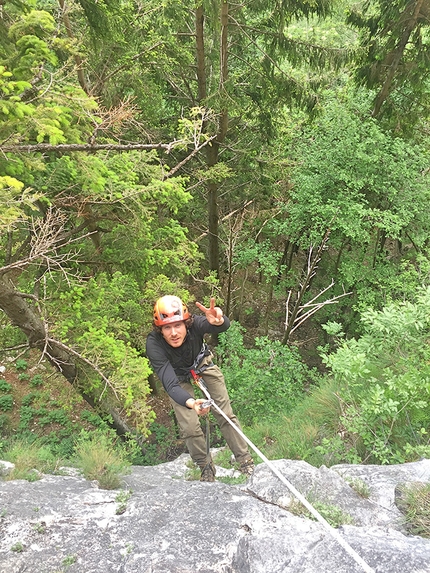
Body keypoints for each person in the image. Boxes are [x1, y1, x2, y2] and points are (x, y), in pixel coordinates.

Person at [146, 295, 254, 482]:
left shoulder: (195, 323)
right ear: (160, 330)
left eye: (177, 325)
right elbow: (170, 384)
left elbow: (220, 325)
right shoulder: (154, 344)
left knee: (225, 414)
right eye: (167, 327)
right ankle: (206, 467)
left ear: (186, 323)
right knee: (189, 426)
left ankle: (245, 461)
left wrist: (219, 321)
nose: (173, 333)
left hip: (203, 365)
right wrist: (191, 403)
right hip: (178, 378)